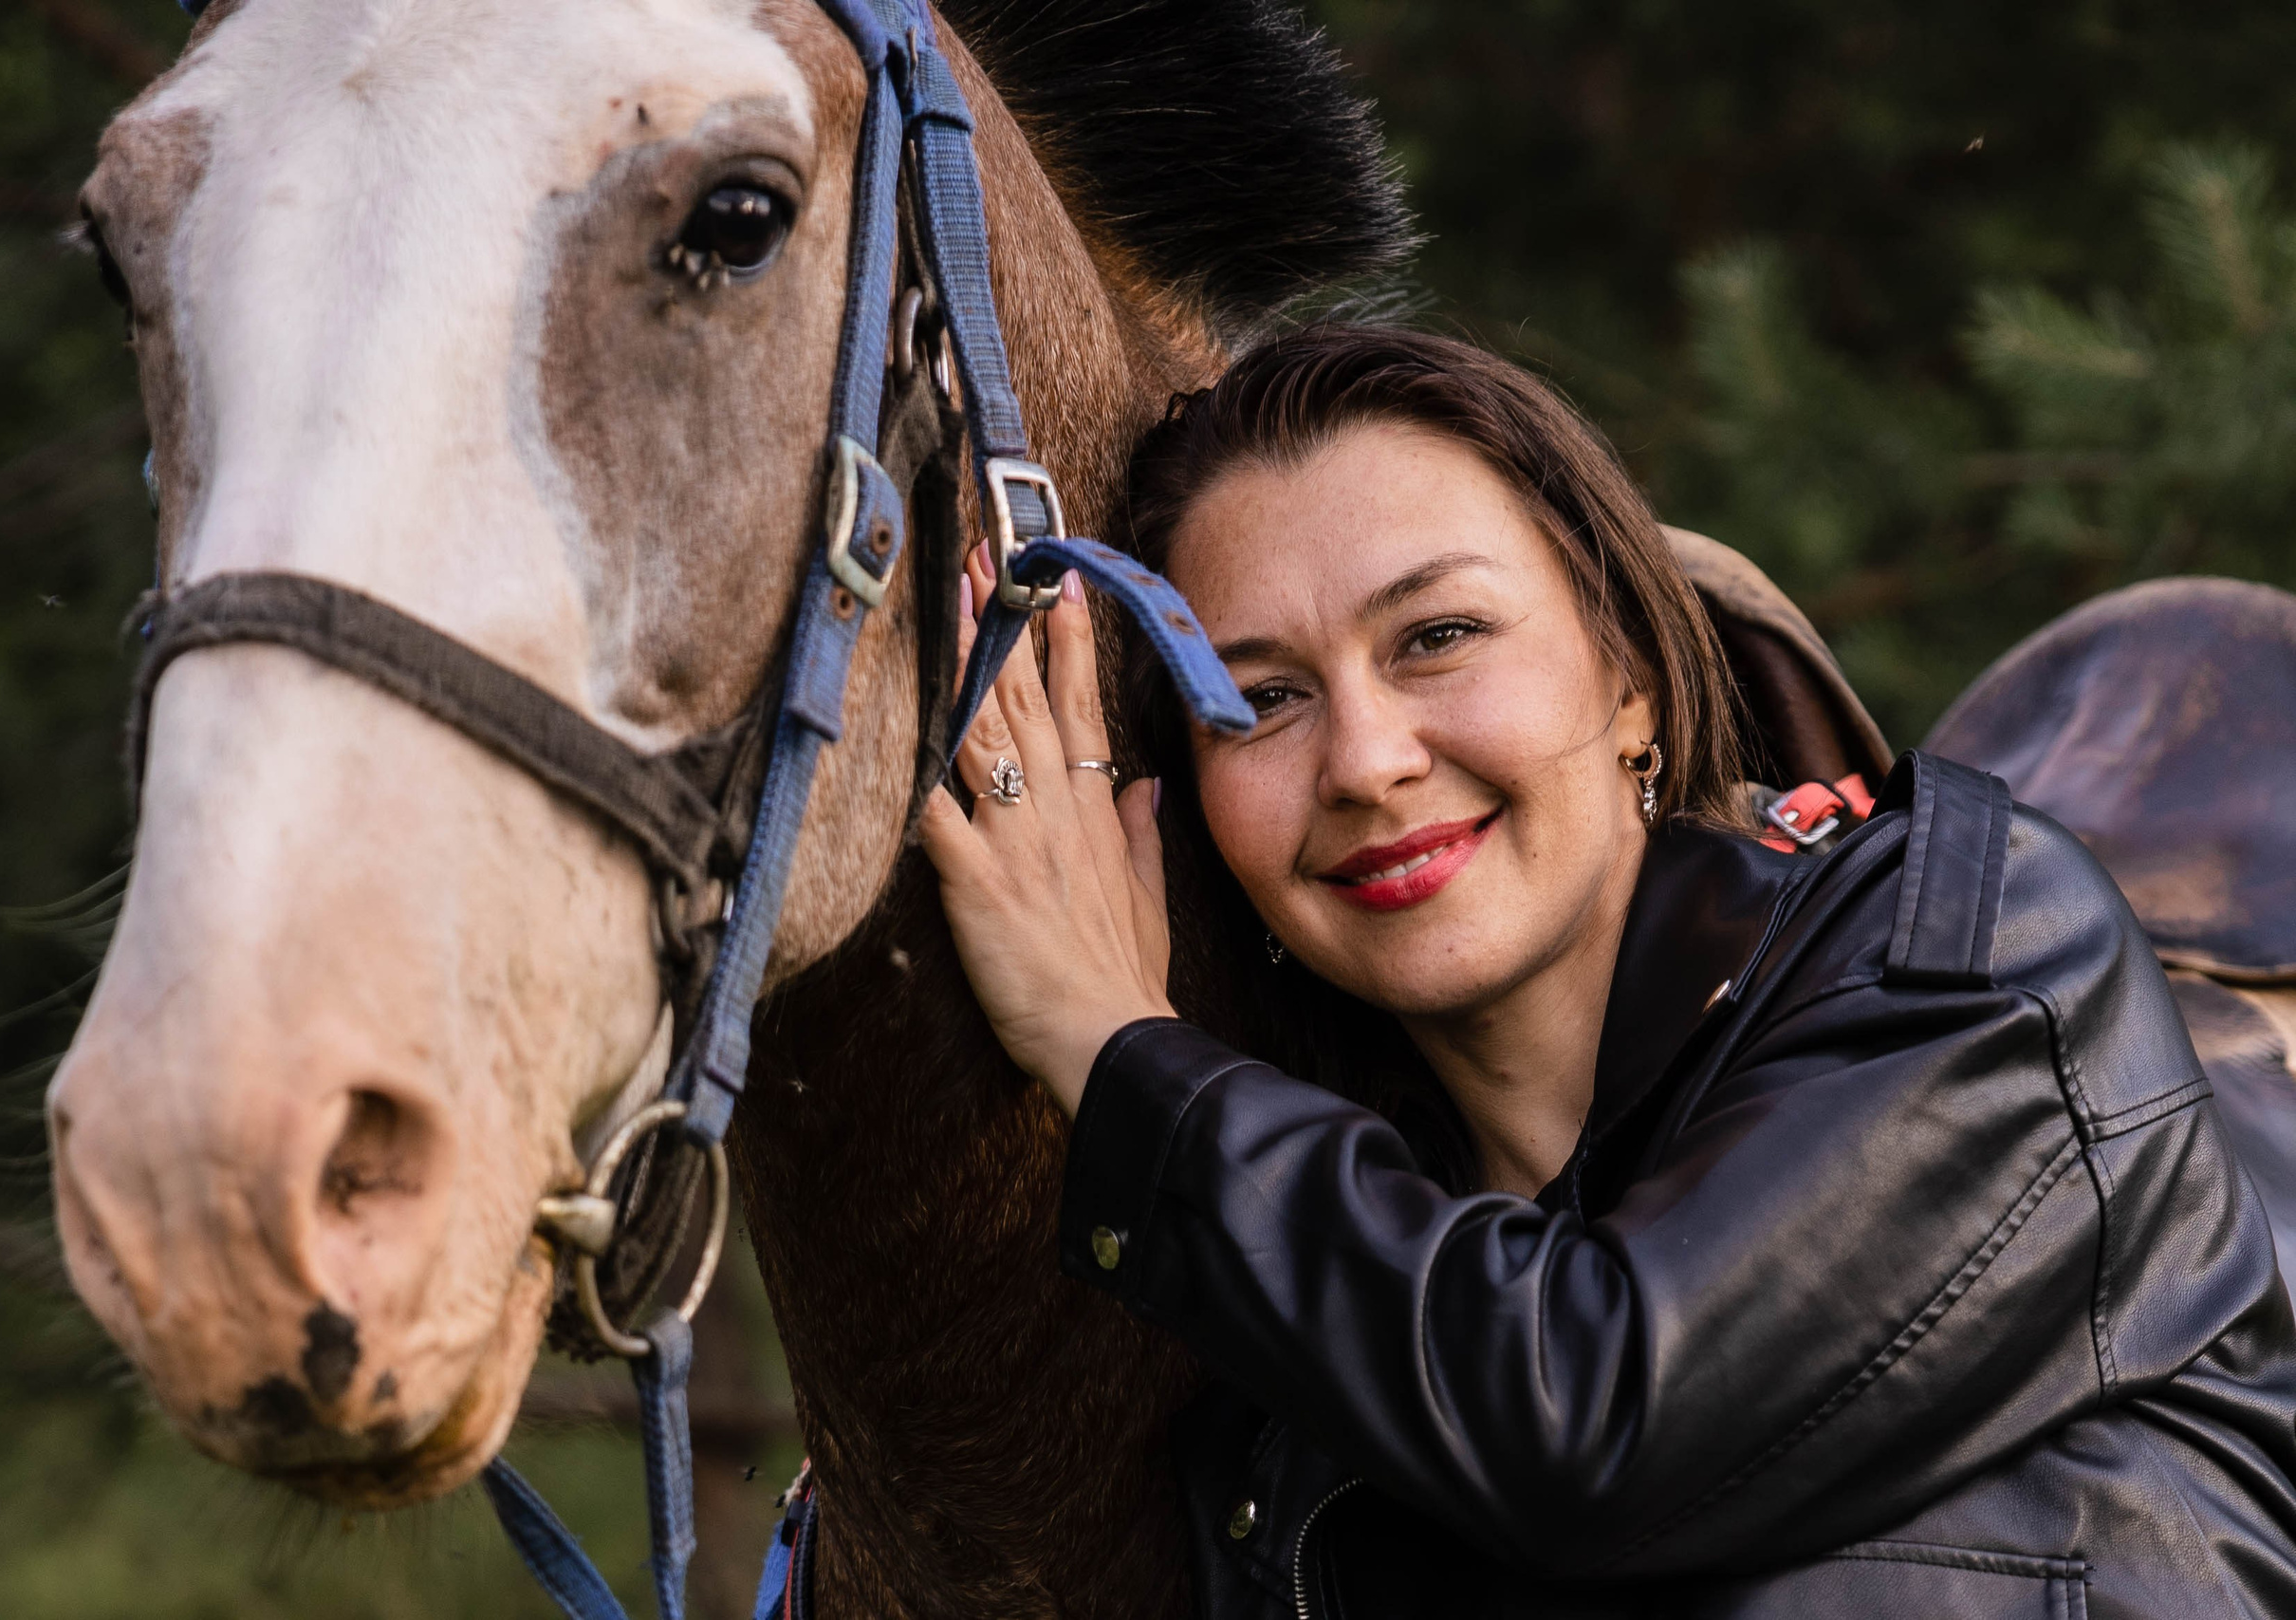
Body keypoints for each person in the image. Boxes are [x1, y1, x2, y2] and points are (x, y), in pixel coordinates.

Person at [916, 326, 2296, 1617]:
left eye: (1438, 636)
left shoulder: (1981, 964)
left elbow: (1592, 1417)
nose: (1367, 762)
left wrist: (1112, 1043)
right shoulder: (1291, 1326)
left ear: (1628, 670)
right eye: (1260, 699)